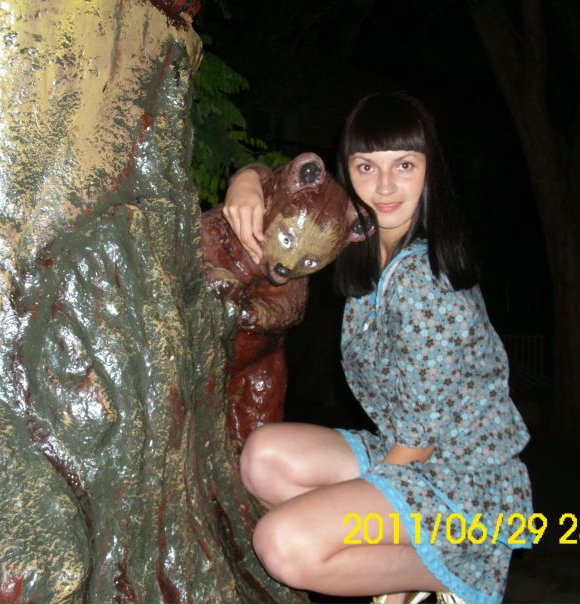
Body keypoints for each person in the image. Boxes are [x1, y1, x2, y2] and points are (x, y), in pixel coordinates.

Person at [223, 92, 534, 604]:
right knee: (262, 458)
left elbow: (418, 444)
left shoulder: (425, 284)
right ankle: (399, 567)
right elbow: (289, 177)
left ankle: (455, 573)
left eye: (404, 165)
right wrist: (246, 180)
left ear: (429, 171)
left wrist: (358, 506)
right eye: (366, 167)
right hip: (411, 453)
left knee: (282, 543)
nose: (384, 187)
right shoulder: (364, 244)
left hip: (462, 485)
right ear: (349, 173)